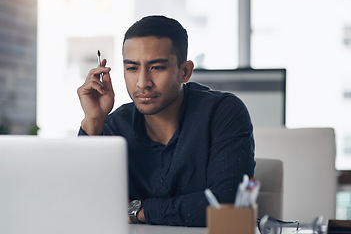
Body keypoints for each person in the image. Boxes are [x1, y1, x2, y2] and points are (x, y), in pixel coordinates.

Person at [77, 15, 255, 227]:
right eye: (132, 68)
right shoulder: (114, 125)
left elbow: (227, 206)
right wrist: (93, 121)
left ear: (185, 71)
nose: (143, 83)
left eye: (157, 67)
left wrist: (138, 211)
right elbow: (80, 202)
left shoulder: (223, 113)